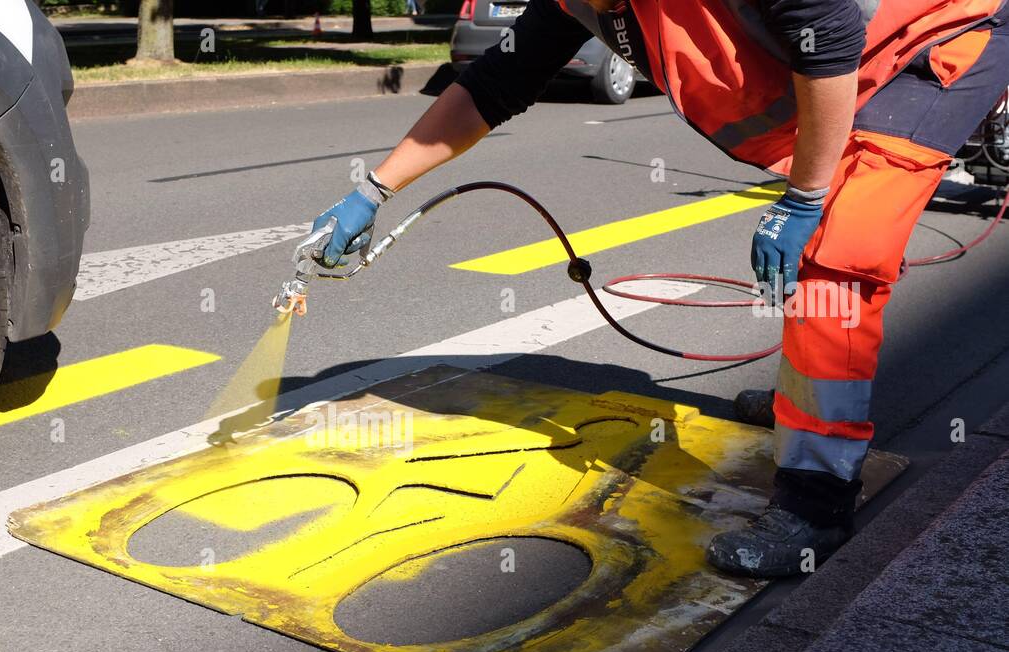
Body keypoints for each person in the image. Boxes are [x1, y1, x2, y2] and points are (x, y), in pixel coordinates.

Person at [308, 0, 1009, 577]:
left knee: (836, 256)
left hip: (938, 42)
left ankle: (817, 502)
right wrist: (373, 190)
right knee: (815, 247)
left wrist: (801, 199)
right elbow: (495, 85)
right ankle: (807, 404)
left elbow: (827, 41)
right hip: (855, 63)